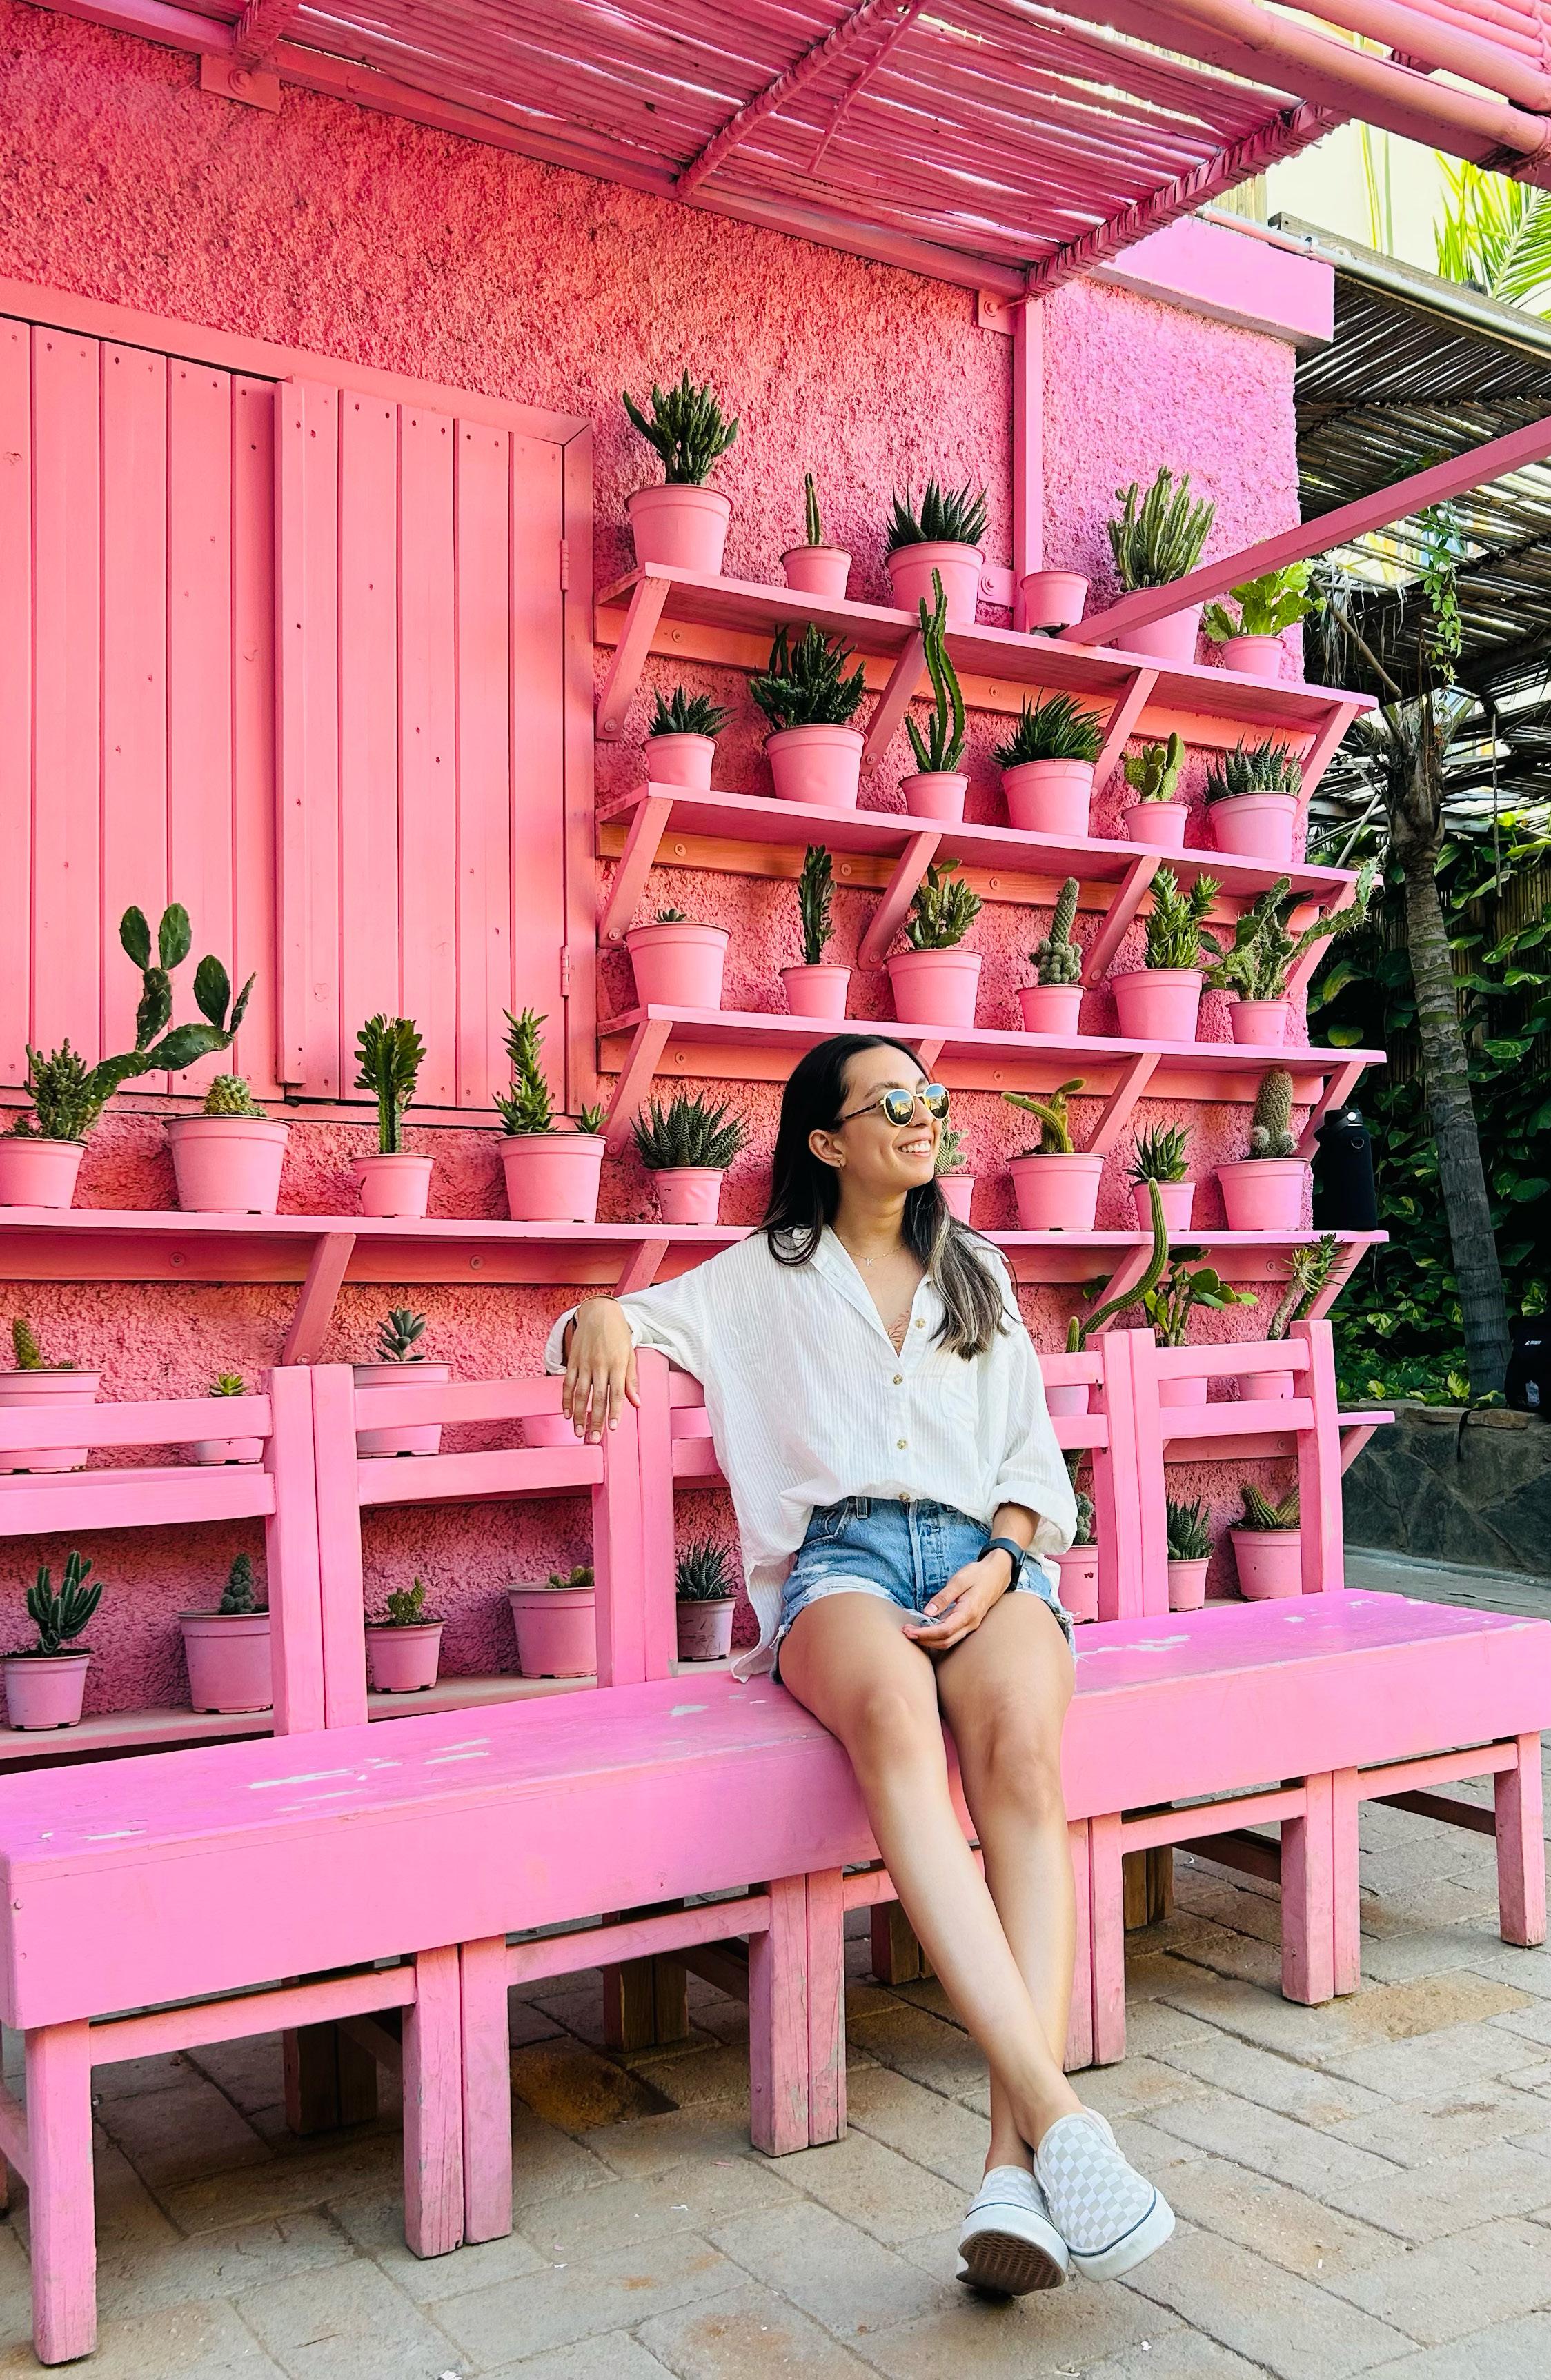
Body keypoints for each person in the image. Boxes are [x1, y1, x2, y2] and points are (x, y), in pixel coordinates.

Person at [547, 1033, 1173, 2293]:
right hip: (840, 1568)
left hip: (986, 1557)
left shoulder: (978, 1270)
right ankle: (1061, 2116)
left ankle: (1015, 2167)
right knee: (892, 1716)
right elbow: (604, 1324)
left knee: (1019, 1754)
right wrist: (601, 1311)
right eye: (890, 1101)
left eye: (929, 1096)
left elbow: (1029, 1462)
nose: (921, 1113)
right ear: (828, 1142)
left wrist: (1004, 1564)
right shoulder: (759, 1278)